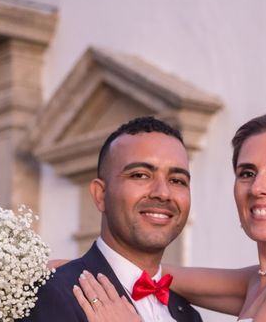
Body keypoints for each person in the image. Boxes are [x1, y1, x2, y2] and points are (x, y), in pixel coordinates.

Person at [72, 112, 266, 322]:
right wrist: (80, 268)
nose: (259, 188)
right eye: (247, 173)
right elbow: (162, 277)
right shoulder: (262, 279)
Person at [21, 116, 203, 322]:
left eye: (177, 180)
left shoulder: (188, 314)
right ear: (100, 195)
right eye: (140, 175)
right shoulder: (52, 293)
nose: (163, 193)